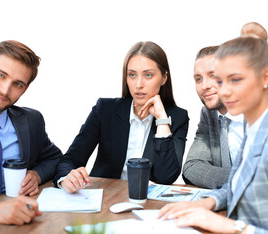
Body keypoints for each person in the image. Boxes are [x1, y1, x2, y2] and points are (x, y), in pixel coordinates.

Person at [159, 24, 268, 234]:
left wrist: (233, 228)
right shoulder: (255, 119)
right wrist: (208, 202)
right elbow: (237, 180)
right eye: (199, 78)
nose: (213, 88)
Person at [54, 41, 189, 193]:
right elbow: (70, 160)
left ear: (164, 78)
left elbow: (166, 177)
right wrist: (66, 179)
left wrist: (162, 121)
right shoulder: (105, 109)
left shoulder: (177, 117)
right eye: (132, 75)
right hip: (105, 198)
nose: (138, 84)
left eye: (148, 75)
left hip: (146, 203)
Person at [0, 40, 63, 225]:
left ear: (25, 89)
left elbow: (55, 159)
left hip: (17, 224)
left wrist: (36, 174)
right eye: (0, 75)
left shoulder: (31, 121)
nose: (4, 89)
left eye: (17, 84)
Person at [182, 46, 244, 189]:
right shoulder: (209, 114)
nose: (204, 86)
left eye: (213, 76)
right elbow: (191, 167)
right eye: (198, 79)